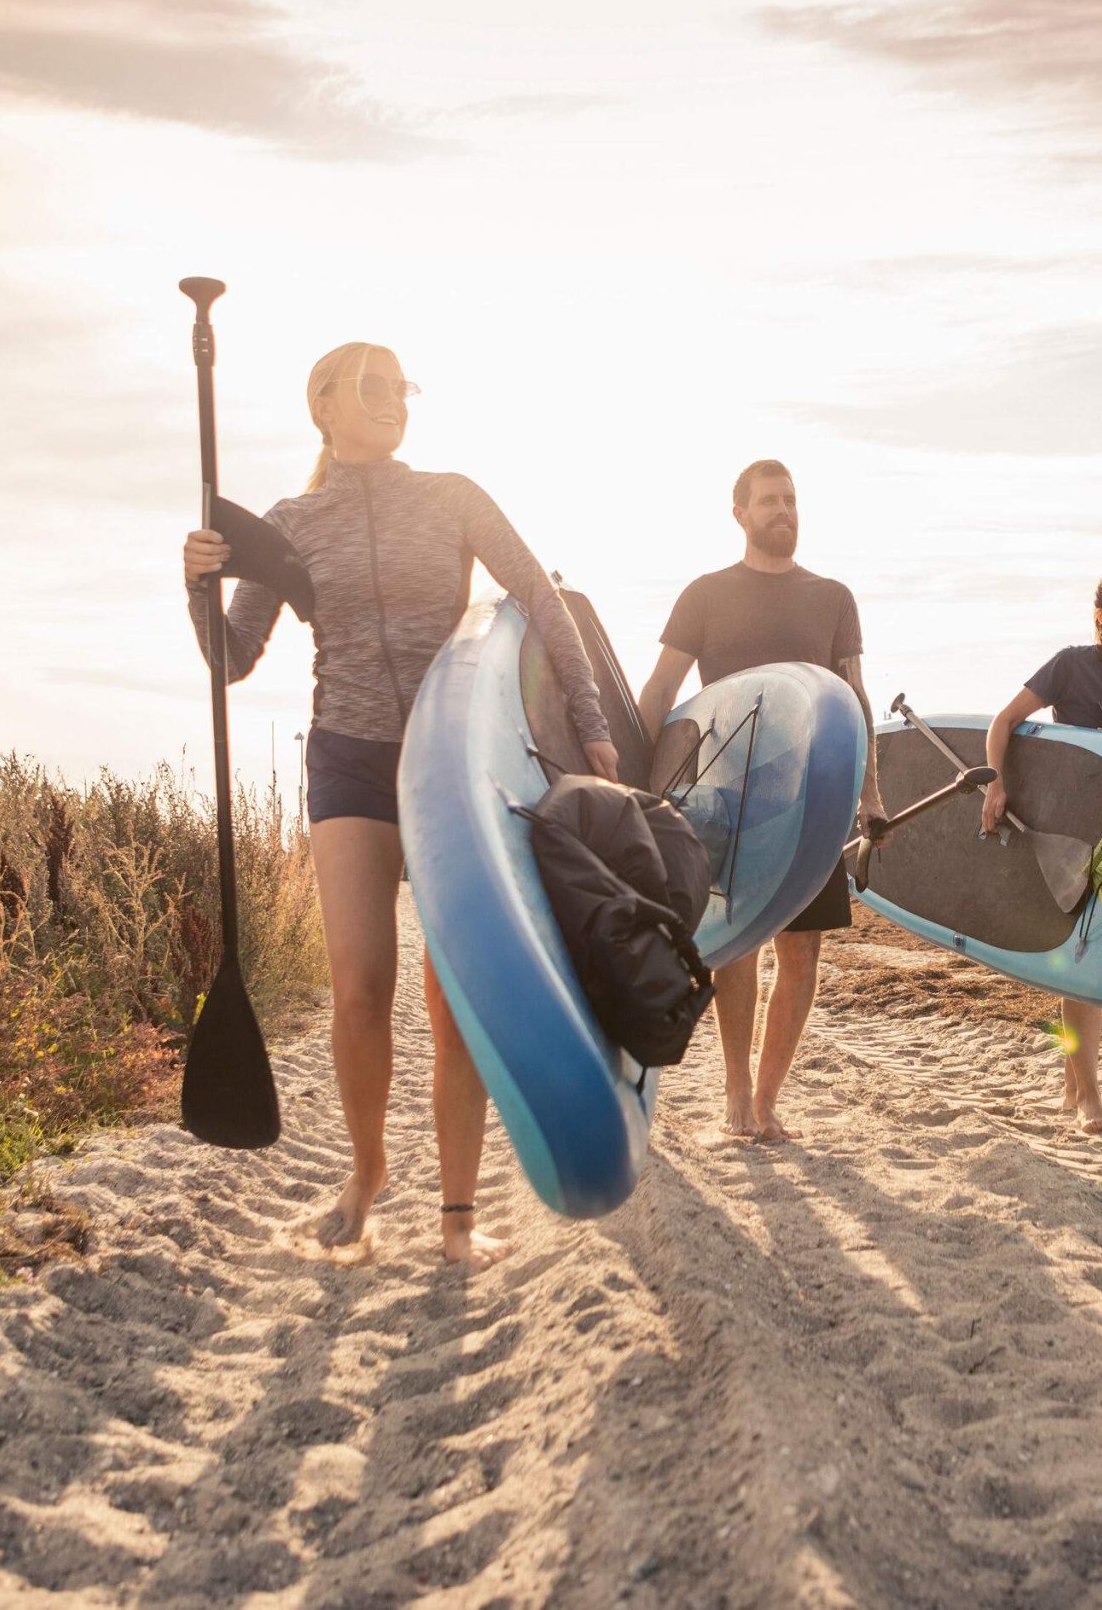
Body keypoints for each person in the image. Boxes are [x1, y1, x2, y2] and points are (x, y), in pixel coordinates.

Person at [182, 342, 619, 1268]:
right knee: (359, 990)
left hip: (452, 762)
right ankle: (368, 1172)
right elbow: (232, 658)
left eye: (400, 386)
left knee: (455, 994)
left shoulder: (452, 495)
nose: (390, 400)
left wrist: (589, 719)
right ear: (323, 406)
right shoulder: (289, 523)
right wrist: (197, 585)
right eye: (369, 385)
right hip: (346, 759)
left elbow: (543, 600)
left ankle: (457, 1217)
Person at [637, 459, 888, 1142]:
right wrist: (640, 784)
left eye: (792, 500)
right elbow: (661, 692)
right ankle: (736, 1090)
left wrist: (868, 790)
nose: (784, 510)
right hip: (728, 797)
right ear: (740, 513)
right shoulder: (706, 594)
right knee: (739, 943)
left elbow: (853, 698)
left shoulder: (833, 596)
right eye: (770, 500)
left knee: (802, 953)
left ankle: (770, 1095)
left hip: (812, 795)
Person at [980, 569, 1102, 1132]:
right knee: (1081, 959)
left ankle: (1072, 1091)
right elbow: (1006, 721)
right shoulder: (1072, 665)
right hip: (1071, 827)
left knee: (1083, 955)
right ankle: (1089, 1096)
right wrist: (998, 783)